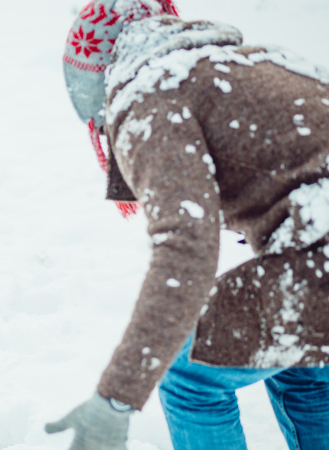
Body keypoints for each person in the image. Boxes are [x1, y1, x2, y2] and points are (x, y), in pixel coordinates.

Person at [45, 0, 329, 448]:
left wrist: (115, 397)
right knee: (303, 366)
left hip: (319, 259)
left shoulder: (150, 98)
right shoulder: (257, 62)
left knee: (190, 374)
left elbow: (186, 247)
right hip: (316, 255)